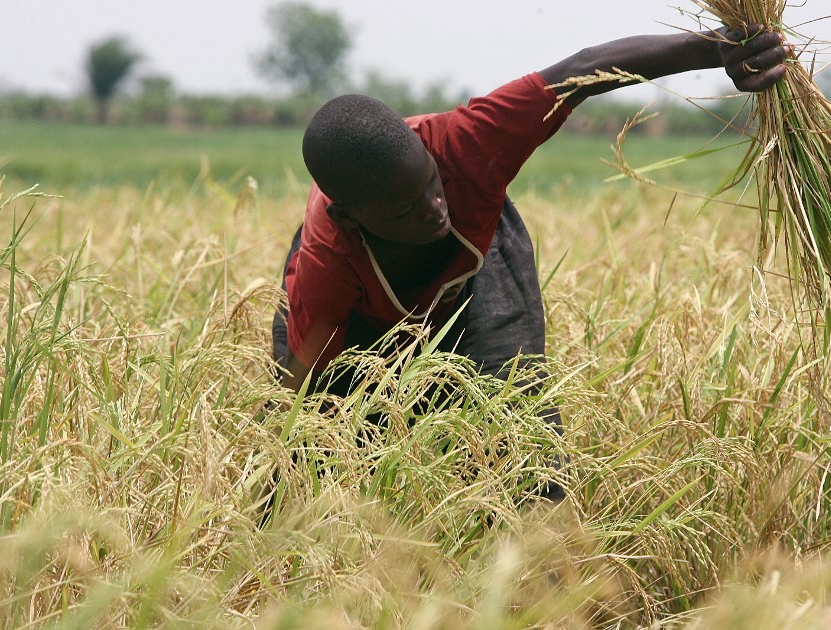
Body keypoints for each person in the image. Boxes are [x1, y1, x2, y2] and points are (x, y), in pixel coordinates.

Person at [270, 24, 791, 499]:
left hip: (475, 271)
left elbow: (580, 73)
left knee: (516, 429)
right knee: (338, 445)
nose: (435, 210)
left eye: (432, 183)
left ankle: (542, 573)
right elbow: (296, 410)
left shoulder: (465, 142)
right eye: (407, 208)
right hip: (366, 324)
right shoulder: (325, 270)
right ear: (352, 217)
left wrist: (714, 48)